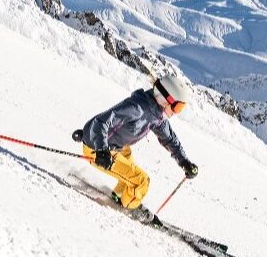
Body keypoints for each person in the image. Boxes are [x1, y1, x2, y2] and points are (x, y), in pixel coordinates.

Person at [73, 75, 199, 222]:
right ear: (166, 99)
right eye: (178, 107)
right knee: (141, 181)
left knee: (130, 165)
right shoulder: (137, 108)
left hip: (117, 147)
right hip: (99, 150)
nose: (177, 112)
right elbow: (102, 121)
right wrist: (101, 148)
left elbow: (169, 139)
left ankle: (120, 195)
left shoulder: (157, 115)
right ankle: (130, 207)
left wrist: (184, 161)